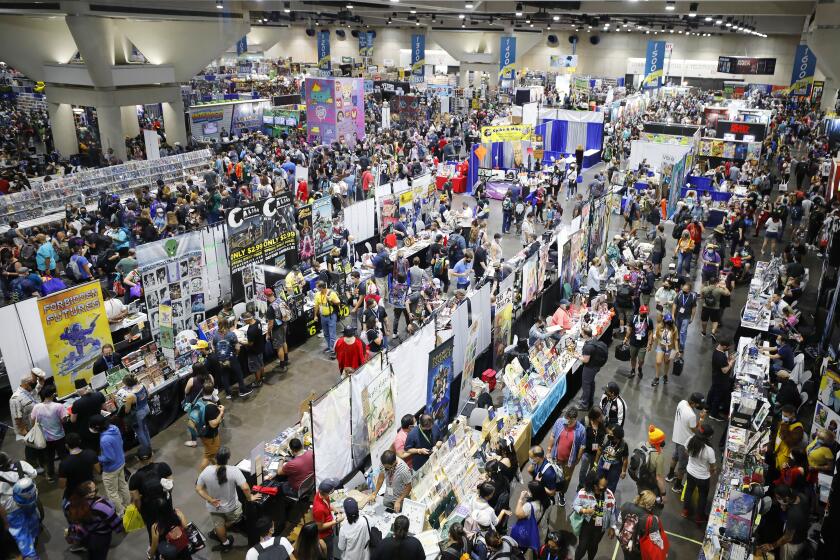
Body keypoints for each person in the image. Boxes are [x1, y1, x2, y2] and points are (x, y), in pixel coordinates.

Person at [195, 446, 254, 552]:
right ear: (228, 458)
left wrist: (210, 499)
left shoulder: (207, 471)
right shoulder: (234, 471)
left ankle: (225, 543)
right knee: (236, 518)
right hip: (231, 506)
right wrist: (250, 498)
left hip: (214, 506)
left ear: (216, 457)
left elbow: (199, 489)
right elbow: (245, 488)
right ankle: (225, 527)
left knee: (218, 524)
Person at [65, 481, 122, 560]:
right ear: (89, 494)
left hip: (85, 535)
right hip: (101, 538)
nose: (97, 491)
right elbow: (117, 525)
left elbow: (73, 520)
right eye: (95, 490)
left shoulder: (70, 504)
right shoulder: (102, 506)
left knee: (91, 554)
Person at [90, 413, 131, 517]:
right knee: (123, 485)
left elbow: (109, 458)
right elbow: (120, 443)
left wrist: (97, 458)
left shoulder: (104, 440)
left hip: (111, 469)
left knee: (112, 493)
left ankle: (121, 513)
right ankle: (128, 506)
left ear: (97, 427)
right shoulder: (114, 428)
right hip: (121, 461)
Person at [0, 452, 40, 559]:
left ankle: (30, 554)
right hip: (29, 500)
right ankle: (34, 538)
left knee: (20, 532)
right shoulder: (21, 464)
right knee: (32, 518)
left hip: (11, 508)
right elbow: (34, 474)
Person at [571, 471, 617, 560]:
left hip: (600, 527)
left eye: (604, 487)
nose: (601, 489)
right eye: (599, 487)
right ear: (593, 484)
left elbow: (612, 512)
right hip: (587, 524)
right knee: (582, 547)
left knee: (593, 546)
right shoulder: (583, 493)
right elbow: (575, 505)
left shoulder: (609, 495)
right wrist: (584, 510)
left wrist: (612, 527)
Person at [756, 484, 809, 560]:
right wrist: (785, 505)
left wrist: (771, 546)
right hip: (802, 535)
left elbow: (788, 537)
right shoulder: (801, 496)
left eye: (778, 498)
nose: (777, 500)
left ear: (786, 498)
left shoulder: (793, 514)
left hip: (791, 545)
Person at [666, 392, 705, 493]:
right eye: (698, 404)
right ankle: (677, 486)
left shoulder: (682, 402)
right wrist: (701, 418)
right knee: (682, 466)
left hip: (677, 437)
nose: (699, 406)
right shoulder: (691, 415)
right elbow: (696, 430)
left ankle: (670, 475)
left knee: (675, 456)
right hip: (685, 442)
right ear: (694, 403)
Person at [129, 456, 174, 543]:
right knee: (170, 523)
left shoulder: (134, 478)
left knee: (154, 529)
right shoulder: (163, 466)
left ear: (138, 459)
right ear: (152, 454)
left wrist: (140, 510)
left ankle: (156, 549)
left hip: (149, 509)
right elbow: (171, 484)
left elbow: (136, 498)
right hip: (165, 503)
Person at [546, 408, 585, 506]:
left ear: (575, 419)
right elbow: (552, 435)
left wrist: (578, 459)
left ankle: (561, 494)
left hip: (569, 461)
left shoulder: (581, 430)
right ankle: (551, 492)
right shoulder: (560, 422)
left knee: (566, 479)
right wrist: (549, 450)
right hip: (556, 457)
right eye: (566, 418)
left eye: (569, 420)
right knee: (553, 475)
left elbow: (582, 446)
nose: (566, 421)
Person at [30, 384, 68, 482]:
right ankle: (67, 473)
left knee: (49, 458)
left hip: (46, 438)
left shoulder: (37, 407)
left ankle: (50, 476)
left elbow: (33, 421)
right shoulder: (59, 406)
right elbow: (64, 420)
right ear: (52, 395)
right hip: (59, 436)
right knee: (63, 456)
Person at [9, 371, 45, 471]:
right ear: (25, 384)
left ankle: (42, 462)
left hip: (36, 425)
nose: (34, 384)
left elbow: (38, 387)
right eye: (32, 383)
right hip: (27, 429)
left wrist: (40, 380)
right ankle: (33, 466)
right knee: (31, 448)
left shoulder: (30, 390)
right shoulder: (15, 399)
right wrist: (26, 433)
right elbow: (17, 419)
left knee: (39, 444)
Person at [681, 423, 716, 524]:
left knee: (689, 490)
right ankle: (699, 516)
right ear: (708, 436)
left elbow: (686, 452)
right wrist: (713, 471)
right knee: (702, 496)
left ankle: (685, 511)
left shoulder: (691, 440)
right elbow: (713, 466)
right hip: (703, 477)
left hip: (690, 472)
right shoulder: (709, 450)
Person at [212, 318, 252, 398]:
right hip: (231, 358)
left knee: (224, 375)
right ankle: (242, 390)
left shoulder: (215, 335)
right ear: (228, 324)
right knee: (238, 373)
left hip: (221, 360)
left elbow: (213, 347)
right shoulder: (231, 334)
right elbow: (237, 347)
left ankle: (228, 393)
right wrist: (236, 355)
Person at [617, 491, 661, 560]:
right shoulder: (651, 519)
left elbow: (619, 520)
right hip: (638, 549)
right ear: (649, 504)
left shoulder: (626, 505)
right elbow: (656, 540)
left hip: (624, 541)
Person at [58, 432, 100, 502]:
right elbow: (98, 470)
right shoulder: (91, 453)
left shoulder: (64, 463)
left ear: (66, 446)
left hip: (74, 494)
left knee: (65, 505)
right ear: (80, 442)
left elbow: (62, 485)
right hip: (89, 489)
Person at [120, 373, 152, 460]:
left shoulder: (130, 395)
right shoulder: (143, 385)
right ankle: (149, 447)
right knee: (145, 429)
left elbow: (127, 410)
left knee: (140, 432)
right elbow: (148, 395)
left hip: (139, 414)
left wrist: (125, 401)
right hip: (146, 408)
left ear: (127, 384)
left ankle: (147, 451)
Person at [69, 378, 107, 452]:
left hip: (86, 430)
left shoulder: (77, 403)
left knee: (93, 449)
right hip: (100, 425)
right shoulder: (99, 394)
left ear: (78, 391)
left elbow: (73, 420)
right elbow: (104, 408)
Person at [634, 425, 669, 505]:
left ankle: (639, 504)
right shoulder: (659, 456)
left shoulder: (641, 444)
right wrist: (663, 494)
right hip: (650, 484)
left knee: (642, 496)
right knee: (650, 501)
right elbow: (659, 478)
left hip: (639, 480)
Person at [196, 382, 225, 471]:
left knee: (211, 453)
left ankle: (217, 468)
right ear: (213, 392)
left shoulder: (200, 400)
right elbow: (213, 424)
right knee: (208, 455)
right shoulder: (210, 407)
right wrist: (221, 412)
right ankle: (201, 476)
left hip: (202, 431)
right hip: (210, 435)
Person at [312, 478, 343, 560]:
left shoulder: (321, 494)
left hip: (330, 527)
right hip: (325, 535)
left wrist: (335, 509)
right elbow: (319, 527)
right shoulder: (319, 509)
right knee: (329, 553)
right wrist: (336, 521)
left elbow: (327, 505)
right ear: (329, 492)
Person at [576, 327, 606, 409]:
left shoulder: (588, 347)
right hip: (596, 365)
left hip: (590, 367)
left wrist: (577, 356)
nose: (581, 333)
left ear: (585, 335)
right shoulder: (594, 338)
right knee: (591, 383)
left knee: (586, 385)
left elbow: (585, 360)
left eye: (582, 333)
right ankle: (590, 399)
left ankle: (584, 404)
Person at [595, 424, 629, 493]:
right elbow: (599, 450)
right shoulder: (606, 438)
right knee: (598, 481)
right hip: (603, 463)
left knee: (611, 486)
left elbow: (625, 459)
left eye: (611, 435)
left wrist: (623, 471)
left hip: (614, 467)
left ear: (617, 437)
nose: (609, 435)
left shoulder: (623, 445)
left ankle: (608, 500)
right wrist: (595, 464)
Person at [577, 407, 606, 491]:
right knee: (583, 470)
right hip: (586, 453)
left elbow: (604, 434)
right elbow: (579, 435)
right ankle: (581, 485)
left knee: (593, 469)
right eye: (600, 416)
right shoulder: (586, 422)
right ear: (594, 416)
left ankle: (589, 484)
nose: (602, 418)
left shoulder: (602, 424)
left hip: (596, 455)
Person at [707, 339, 735, 421]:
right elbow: (724, 370)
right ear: (724, 346)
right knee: (718, 396)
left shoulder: (717, 351)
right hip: (721, 380)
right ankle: (713, 414)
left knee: (712, 391)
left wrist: (728, 360)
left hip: (716, 377)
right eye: (728, 348)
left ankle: (707, 406)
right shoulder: (721, 357)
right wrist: (731, 363)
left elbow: (722, 364)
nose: (729, 349)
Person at [624, 305, 653, 380]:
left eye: (646, 312)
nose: (644, 314)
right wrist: (626, 338)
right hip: (633, 343)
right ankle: (633, 370)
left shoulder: (649, 320)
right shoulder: (633, 319)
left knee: (641, 360)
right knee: (633, 358)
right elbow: (629, 330)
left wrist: (650, 344)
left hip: (643, 344)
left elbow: (650, 333)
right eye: (643, 312)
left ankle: (640, 368)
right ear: (640, 311)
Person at [265, 288, 290, 373]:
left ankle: (282, 366)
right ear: (272, 293)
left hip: (277, 329)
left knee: (279, 347)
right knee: (284, 341)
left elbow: (271, 323)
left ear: (266, 296)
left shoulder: (270, 308)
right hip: (284, 324)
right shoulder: (280, 299)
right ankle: (286, 360)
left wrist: (268, 333)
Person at [314, 280, 341, 359]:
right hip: (323, 317)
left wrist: (330, 299)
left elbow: (338, 302)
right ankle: (330, 347)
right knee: (326, 333)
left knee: (332, 334)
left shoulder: (331, 293)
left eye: (318, 288)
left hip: (331, 316)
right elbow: (316, 306)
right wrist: (315, 315)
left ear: (322, 288)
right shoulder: (317, 295)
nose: (317, 289)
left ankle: (334, 351)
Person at [651, 314, 679, 387]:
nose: (668, 323)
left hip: (670, 348)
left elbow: (675, 340)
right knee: (658, 362)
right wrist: (652, 341)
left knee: (667, 362)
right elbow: (656, 335)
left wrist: (677, 350)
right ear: (664, 321)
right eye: (667, 322)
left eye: (669, 322)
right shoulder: (660, 326)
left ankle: (665, 375)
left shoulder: (674, 328)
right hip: (661, 346)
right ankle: (657, 377)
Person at [775, 404, 805, 471]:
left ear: (793, 415)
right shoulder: (784, 421)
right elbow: (778, 434)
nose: (783, 417)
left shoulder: (798, 427)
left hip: (785, 458)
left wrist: (785, 426)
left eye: (786, 416)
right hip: (777, 453)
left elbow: (791, 442)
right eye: (783, 415)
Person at [671, 282, 696, 352]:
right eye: (683, 289)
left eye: (685, 290)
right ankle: (676, 341)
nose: (683, 291)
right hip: (678, 316)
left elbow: (694, 308)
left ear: (689, 290)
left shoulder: (693, 297)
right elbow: (675, 304)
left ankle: (682, 346)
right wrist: (672, 314)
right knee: (677, 330)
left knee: (683, 331)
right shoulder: (679, 294)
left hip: (686, 317)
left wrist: (692, 317)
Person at [242, 312, 265, 386]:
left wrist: (242, 342)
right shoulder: (258, 322)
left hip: (254, 351)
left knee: (256, 367)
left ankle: (258, 382)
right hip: (260, 347)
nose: (244, 322)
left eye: (244, 320)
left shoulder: (250, 330)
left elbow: (250, 343)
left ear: (248, 319)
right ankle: (262, 377)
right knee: (261, 363)